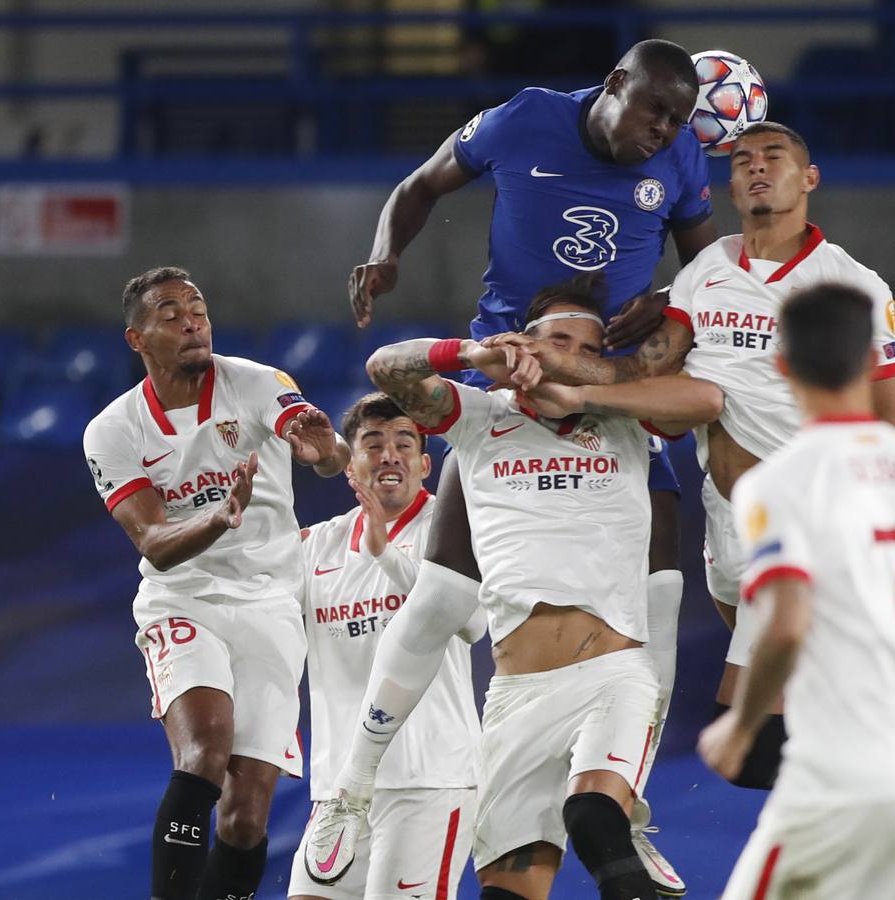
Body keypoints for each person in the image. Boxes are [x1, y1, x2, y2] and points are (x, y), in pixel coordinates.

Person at [340, 41, 718, 889]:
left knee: (660, 599)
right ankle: (351, 785)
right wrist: (387, 251)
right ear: (613, 86)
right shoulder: (525, 118)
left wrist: (670, 303)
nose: (663, 133)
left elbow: (707, 270)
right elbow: (421, 186)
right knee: (439, 594)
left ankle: (626, 802)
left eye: (677, 121)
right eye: (653, 112)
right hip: (507, 378)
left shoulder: (681, 155)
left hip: (609, 387)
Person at [490, 120, 895, 788]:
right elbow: (648, 373)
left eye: (775, 157)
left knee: (754, 743)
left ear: (809, 179)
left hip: (804, 525)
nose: (756, 168)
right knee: (800, 713)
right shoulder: (706, 271)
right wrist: (566, 370)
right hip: (726, 529)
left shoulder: (854, 286)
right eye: (742, 160)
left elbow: (893, 421)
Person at [313, 274, 723, 900]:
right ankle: (353, 786)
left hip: (612, 675)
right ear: (521, 348)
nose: (570, 355)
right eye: (556, 341)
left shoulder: (629, 423)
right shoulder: (478, 418)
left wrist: (596, 387)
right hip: (513, 697)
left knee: (593, 819)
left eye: (588, 349)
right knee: (506, 891)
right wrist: (472, 356)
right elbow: (386, 366)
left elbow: (707, 400)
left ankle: (625, 810)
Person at [695, 282, 895, 897]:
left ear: (782, 366)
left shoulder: (779, 483)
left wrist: (740, 728)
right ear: (871, 362)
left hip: (843, 779)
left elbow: (787, 623)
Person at [82, 266, 350, 900]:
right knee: (205, 750)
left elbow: (321, 444)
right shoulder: (113, 431)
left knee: (246, 811)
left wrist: (326, 450)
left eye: (197, 309)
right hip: (184, 599)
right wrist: (217, 518)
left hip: (271, 602)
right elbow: (153, 543)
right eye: (171, 313)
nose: (191, 321)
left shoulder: (256, 383)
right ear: (136, 338)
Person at [288, 392, 487, 900]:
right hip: (338, 792)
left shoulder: (453, 530)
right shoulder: (315, 546)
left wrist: (384, 556)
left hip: (429, 781)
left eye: (404, 442)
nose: (389, 454)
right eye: (372, 444)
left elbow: (473, 623)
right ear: (350, 463)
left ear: (424, 463)